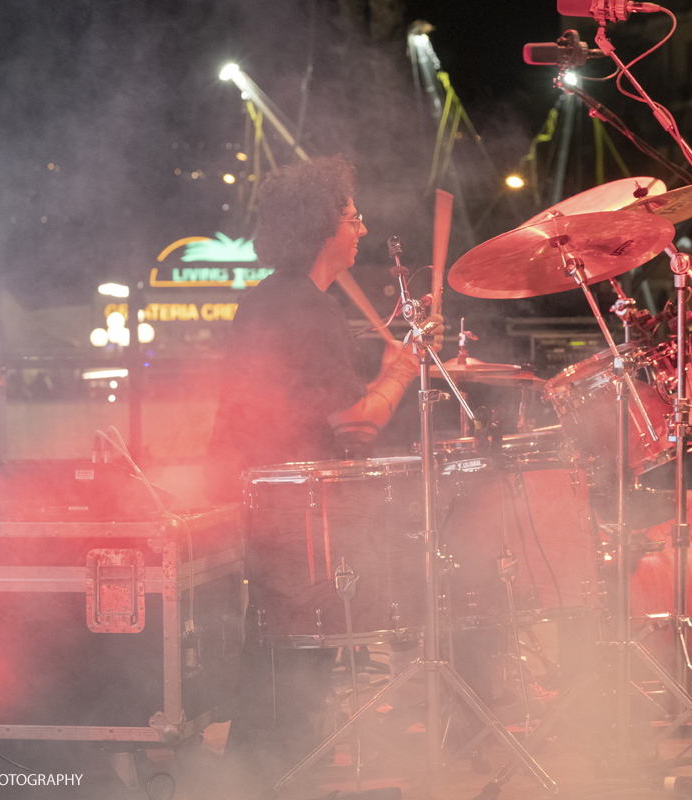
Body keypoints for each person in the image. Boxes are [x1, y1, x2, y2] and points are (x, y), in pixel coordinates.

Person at [204, 155, 442, 778]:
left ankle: (264, 780)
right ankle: (277, 781)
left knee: (280, 673)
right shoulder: (305, 310)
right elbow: (355, 424)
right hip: (288, 518)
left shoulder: (281, 302)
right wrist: (404, 368)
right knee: (297, 668)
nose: (362, 229)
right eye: (352, 217)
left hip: (271, 509)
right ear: (321, 226)